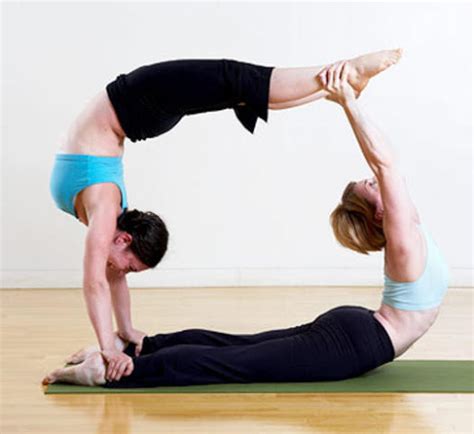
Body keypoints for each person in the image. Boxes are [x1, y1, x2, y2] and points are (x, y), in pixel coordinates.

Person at [44, 53, 448, 388]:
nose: (375, 180)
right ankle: (116, 366)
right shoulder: (406, 235)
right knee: (236, 358)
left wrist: (346, 98)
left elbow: (385, 163)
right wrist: (345, 98)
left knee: (235, 352)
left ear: (381, 213)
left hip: (360, 334)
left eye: (370, 186)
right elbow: (385, 164)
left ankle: (133, 351)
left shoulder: (404, 228)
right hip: (361, 337)